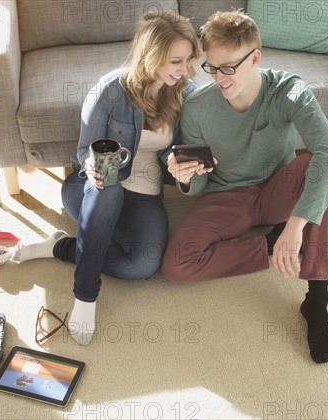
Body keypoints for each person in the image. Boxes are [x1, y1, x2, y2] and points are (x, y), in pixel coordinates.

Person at [162, 10, 328, 363]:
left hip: (278, 189)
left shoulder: (289, 91)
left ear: (255, 58)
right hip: (227, 194)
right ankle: (270, 244)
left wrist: (296, 225)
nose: (220, 78)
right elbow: (199, 183)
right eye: (212, 68)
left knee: (316, 165)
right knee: (176, 265)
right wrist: (184, 177)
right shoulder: (197, 108)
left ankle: (317, 300)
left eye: (228, 67)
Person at [11, 11, 202, 346]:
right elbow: (84, 153)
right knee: (109, 184)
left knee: (143, 265)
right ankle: (85, 296)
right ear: (151, 54)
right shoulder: (111, 91)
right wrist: (95, 170)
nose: (184, 69)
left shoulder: (185, 93)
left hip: (144, 197)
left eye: (188, 60)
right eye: (175, 61)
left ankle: (59, 247)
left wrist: (181, 168)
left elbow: (180, 154)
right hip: (89, 189)